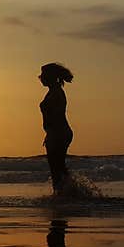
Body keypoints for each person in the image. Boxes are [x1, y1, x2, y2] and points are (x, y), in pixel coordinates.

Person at [38, 63, 74, 193]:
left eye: (42, 75)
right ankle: (68, 192)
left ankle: (63, 193)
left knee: (56, 167)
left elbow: (57, 115)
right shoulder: (54, 92)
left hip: (59, 133)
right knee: (59, 167)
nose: (40, 77)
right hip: (57, 132)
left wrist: (52, 134)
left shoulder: (56, 93)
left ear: (49, 77)